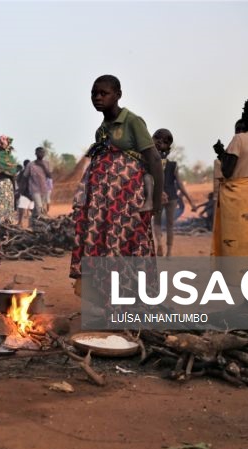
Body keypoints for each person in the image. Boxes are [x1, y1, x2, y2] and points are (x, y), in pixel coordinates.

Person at [69, 75, 163, 294]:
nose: (98, 98)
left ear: (118, 95)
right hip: (103, 206)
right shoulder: (102, 130)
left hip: (128, 202)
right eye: (94, 93)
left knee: (128, 246)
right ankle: (109, 302)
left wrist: (156, 201)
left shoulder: (132, 121)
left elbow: (154, 159)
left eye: (104, 93)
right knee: (105, 247)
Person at [211, 97, 248, 257]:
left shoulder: (239, 139)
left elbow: (227, 171)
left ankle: (233, 277)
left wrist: (221, 153)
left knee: (233, 238)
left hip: (235, 198)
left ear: (244, 114)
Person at [151, 128, 197, 257]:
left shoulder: (153, 162)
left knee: (157, 222)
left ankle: (159, 242)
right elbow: (181, 185)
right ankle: (169, 252)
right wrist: (191, 202)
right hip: (172, 196)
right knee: (170, 225)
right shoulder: (173, 165)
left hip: (158, 196)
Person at [0, 135, 19, 226]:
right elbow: (13, 176)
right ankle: (7, 232)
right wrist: (14, 191)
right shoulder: (11, 159)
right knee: (7, 210)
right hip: (8, 186)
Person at [23, 147, 50, 220]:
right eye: (39, 152)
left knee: (37, 208)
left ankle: (32, 222)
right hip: (34, 189)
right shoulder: (31, 165)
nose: (41, 153)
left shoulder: (47, 163)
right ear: (36, 153)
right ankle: (41, 224)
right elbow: (25, 177)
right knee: (39, 207)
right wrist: (25, 190)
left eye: (43, 152)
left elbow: (49, 176)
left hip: (44, 189)